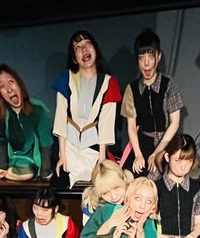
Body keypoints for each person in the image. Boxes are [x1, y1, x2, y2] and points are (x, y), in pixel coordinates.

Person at [53, 30, 122, 186]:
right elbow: (61, 117)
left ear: (95, 48)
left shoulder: (108, 82)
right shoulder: (66, 78)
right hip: (69, 145)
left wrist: (102, 159)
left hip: (94, 146)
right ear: (74, 58)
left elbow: (106, 123)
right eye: (78, 47)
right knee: (59, 181)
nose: (84, 49)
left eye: (87, 43)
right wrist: (62, 155)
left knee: (103, 183)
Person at [121, 28, 184, 176]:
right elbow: (131, 126)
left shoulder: (168, 84)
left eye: (150, 56)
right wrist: (138, 154)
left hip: (167, 141)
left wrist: (157, 153)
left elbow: (175, 122)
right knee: (128, 177)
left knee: (161, 176)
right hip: (143, 141)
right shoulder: (131, 89)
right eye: (141, 57)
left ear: (158, 56)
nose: (146, 63)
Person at [80, 159, 133, 225]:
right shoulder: (91, 207)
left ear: (124, 178)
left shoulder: (139, 196)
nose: (114, 197)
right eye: (105, 193)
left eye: (116, 188)